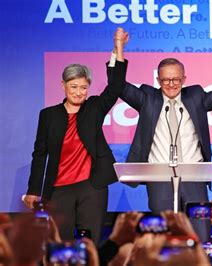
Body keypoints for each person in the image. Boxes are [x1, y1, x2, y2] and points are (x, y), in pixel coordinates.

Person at [108, 40, 212, 242]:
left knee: (201, 235)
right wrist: (118, 49)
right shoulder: (147, 98)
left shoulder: (196, 96)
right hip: (159, 179)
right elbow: (117, 86)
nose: (171, 85)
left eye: (176, 80)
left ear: (184, 79)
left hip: (194, 177)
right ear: (158, 80)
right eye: (166, 80)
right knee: (162, 238)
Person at [22, 28, 129, 244]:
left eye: (83, 87)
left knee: (88, 244)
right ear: (63, 86)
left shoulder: (94, 108)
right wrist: (34, 190)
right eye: (73, 87)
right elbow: (40, 155)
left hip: (91, 187)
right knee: (60, 244)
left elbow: (116, 86)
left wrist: (118, 47)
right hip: (58, 189)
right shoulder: (49, 115)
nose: (79, 92)